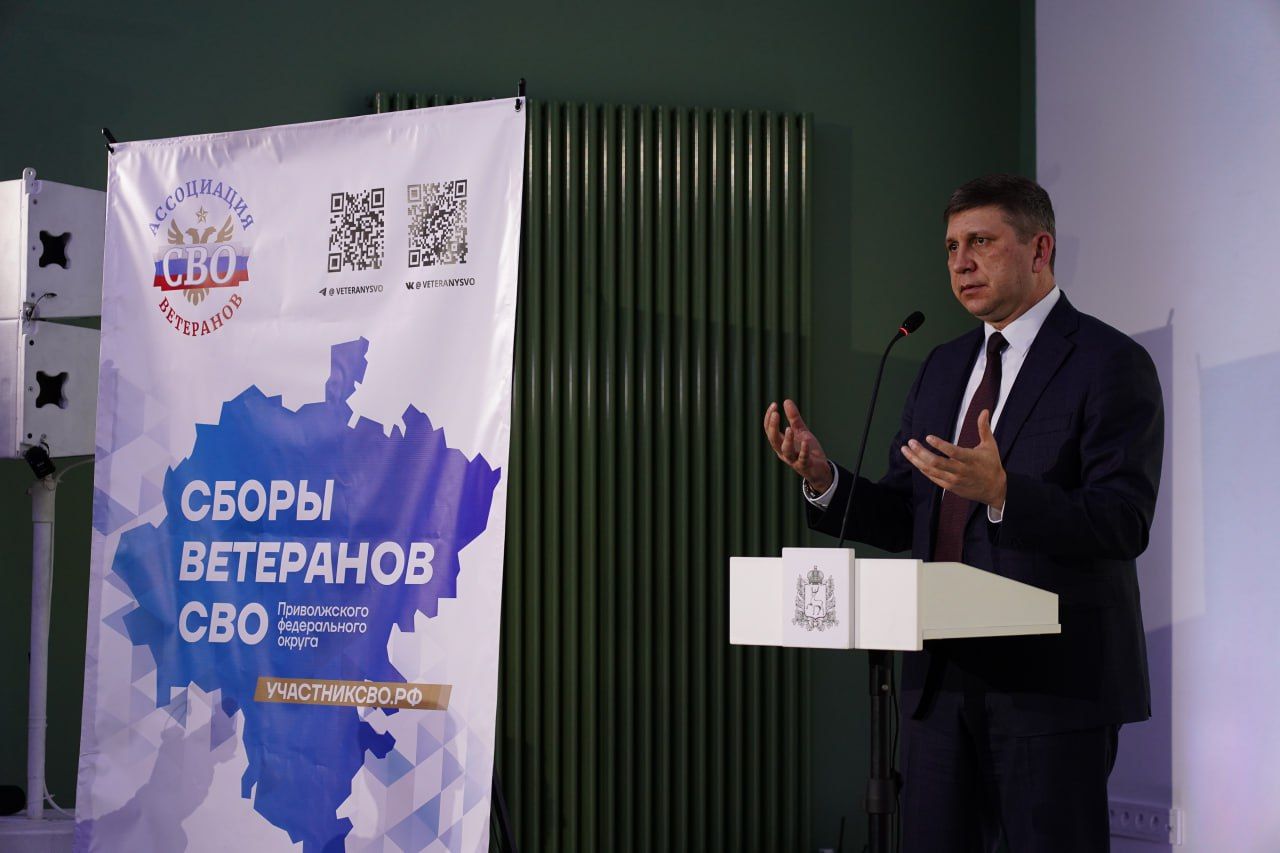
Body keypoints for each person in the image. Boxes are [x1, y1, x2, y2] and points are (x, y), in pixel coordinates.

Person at [763, 174, 1163, 852]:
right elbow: (906, 512)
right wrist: (825, 480)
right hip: (941, 688)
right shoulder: (943, 367)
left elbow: (1123, 520)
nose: (961, 262)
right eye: (951, 247)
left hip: (1052, 689)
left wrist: (1004, 494)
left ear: (1040, 250)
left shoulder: (1110, 362)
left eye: (981, 241)